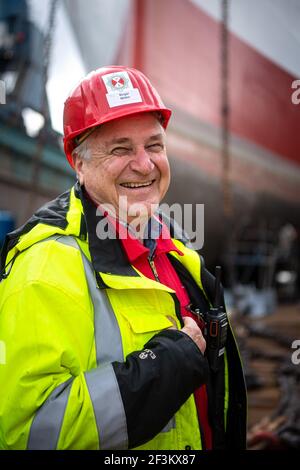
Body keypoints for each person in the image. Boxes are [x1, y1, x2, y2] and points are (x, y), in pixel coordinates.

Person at [0, 66, 246, 450]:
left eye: (154, 145)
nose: (145, 165)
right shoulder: (45, 267)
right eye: (120, 149)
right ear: (78, 163)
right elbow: (28, 433)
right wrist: (166, 367)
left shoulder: (175, 247)